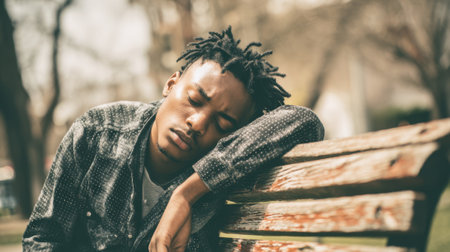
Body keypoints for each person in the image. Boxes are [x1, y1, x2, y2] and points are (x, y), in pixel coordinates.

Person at [23, 27, 324, 251]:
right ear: (171, 84)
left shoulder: (228, 168)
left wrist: (187, 193)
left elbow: (305, 122)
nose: (197, 123)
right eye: (194, 99)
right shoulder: (97, 134)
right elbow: (42, 237)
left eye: (222, 122)